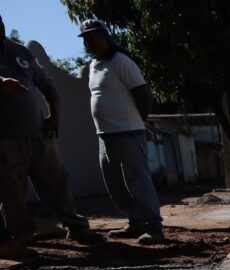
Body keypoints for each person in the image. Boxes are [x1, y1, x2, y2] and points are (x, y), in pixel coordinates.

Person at [0, 14, 102, 245]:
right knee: (12, 189)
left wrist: (54, 116)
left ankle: (76, 227)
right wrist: (2, 82)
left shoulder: (20, 52)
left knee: (56, 180)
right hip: (5, 136)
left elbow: (47, 84)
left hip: (38, 131)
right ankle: (21, 235)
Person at [79, 19, 163, 244]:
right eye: (88, 38)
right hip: (104, 134)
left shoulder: (121, 61)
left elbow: (144, 95)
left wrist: (139, 121)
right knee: (114, 183)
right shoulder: (93, 67)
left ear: (106, 37)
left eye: (96, 36)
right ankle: (135, 221)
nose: (93, 41)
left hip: (128, 131)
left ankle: (154, 227)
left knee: (138, 179)